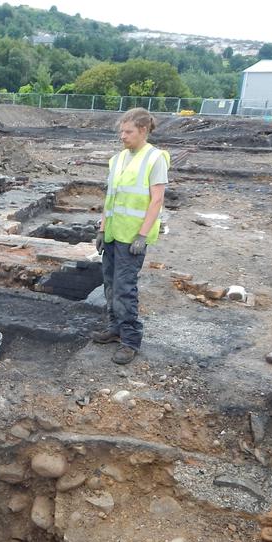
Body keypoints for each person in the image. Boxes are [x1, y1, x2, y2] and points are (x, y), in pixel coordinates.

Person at [93, 108, 170, 365]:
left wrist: (142, 235)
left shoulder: (154, 158)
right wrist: (102, 229)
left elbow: (156, 199)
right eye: (121, 131)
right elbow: (110, 197)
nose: (122, 136)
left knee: (125, 289)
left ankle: (130, 340)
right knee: (110, 284)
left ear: (143, 131)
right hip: (114, 233)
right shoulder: (117, 160)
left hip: (132, 238)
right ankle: (114, 328)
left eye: (128, 131)